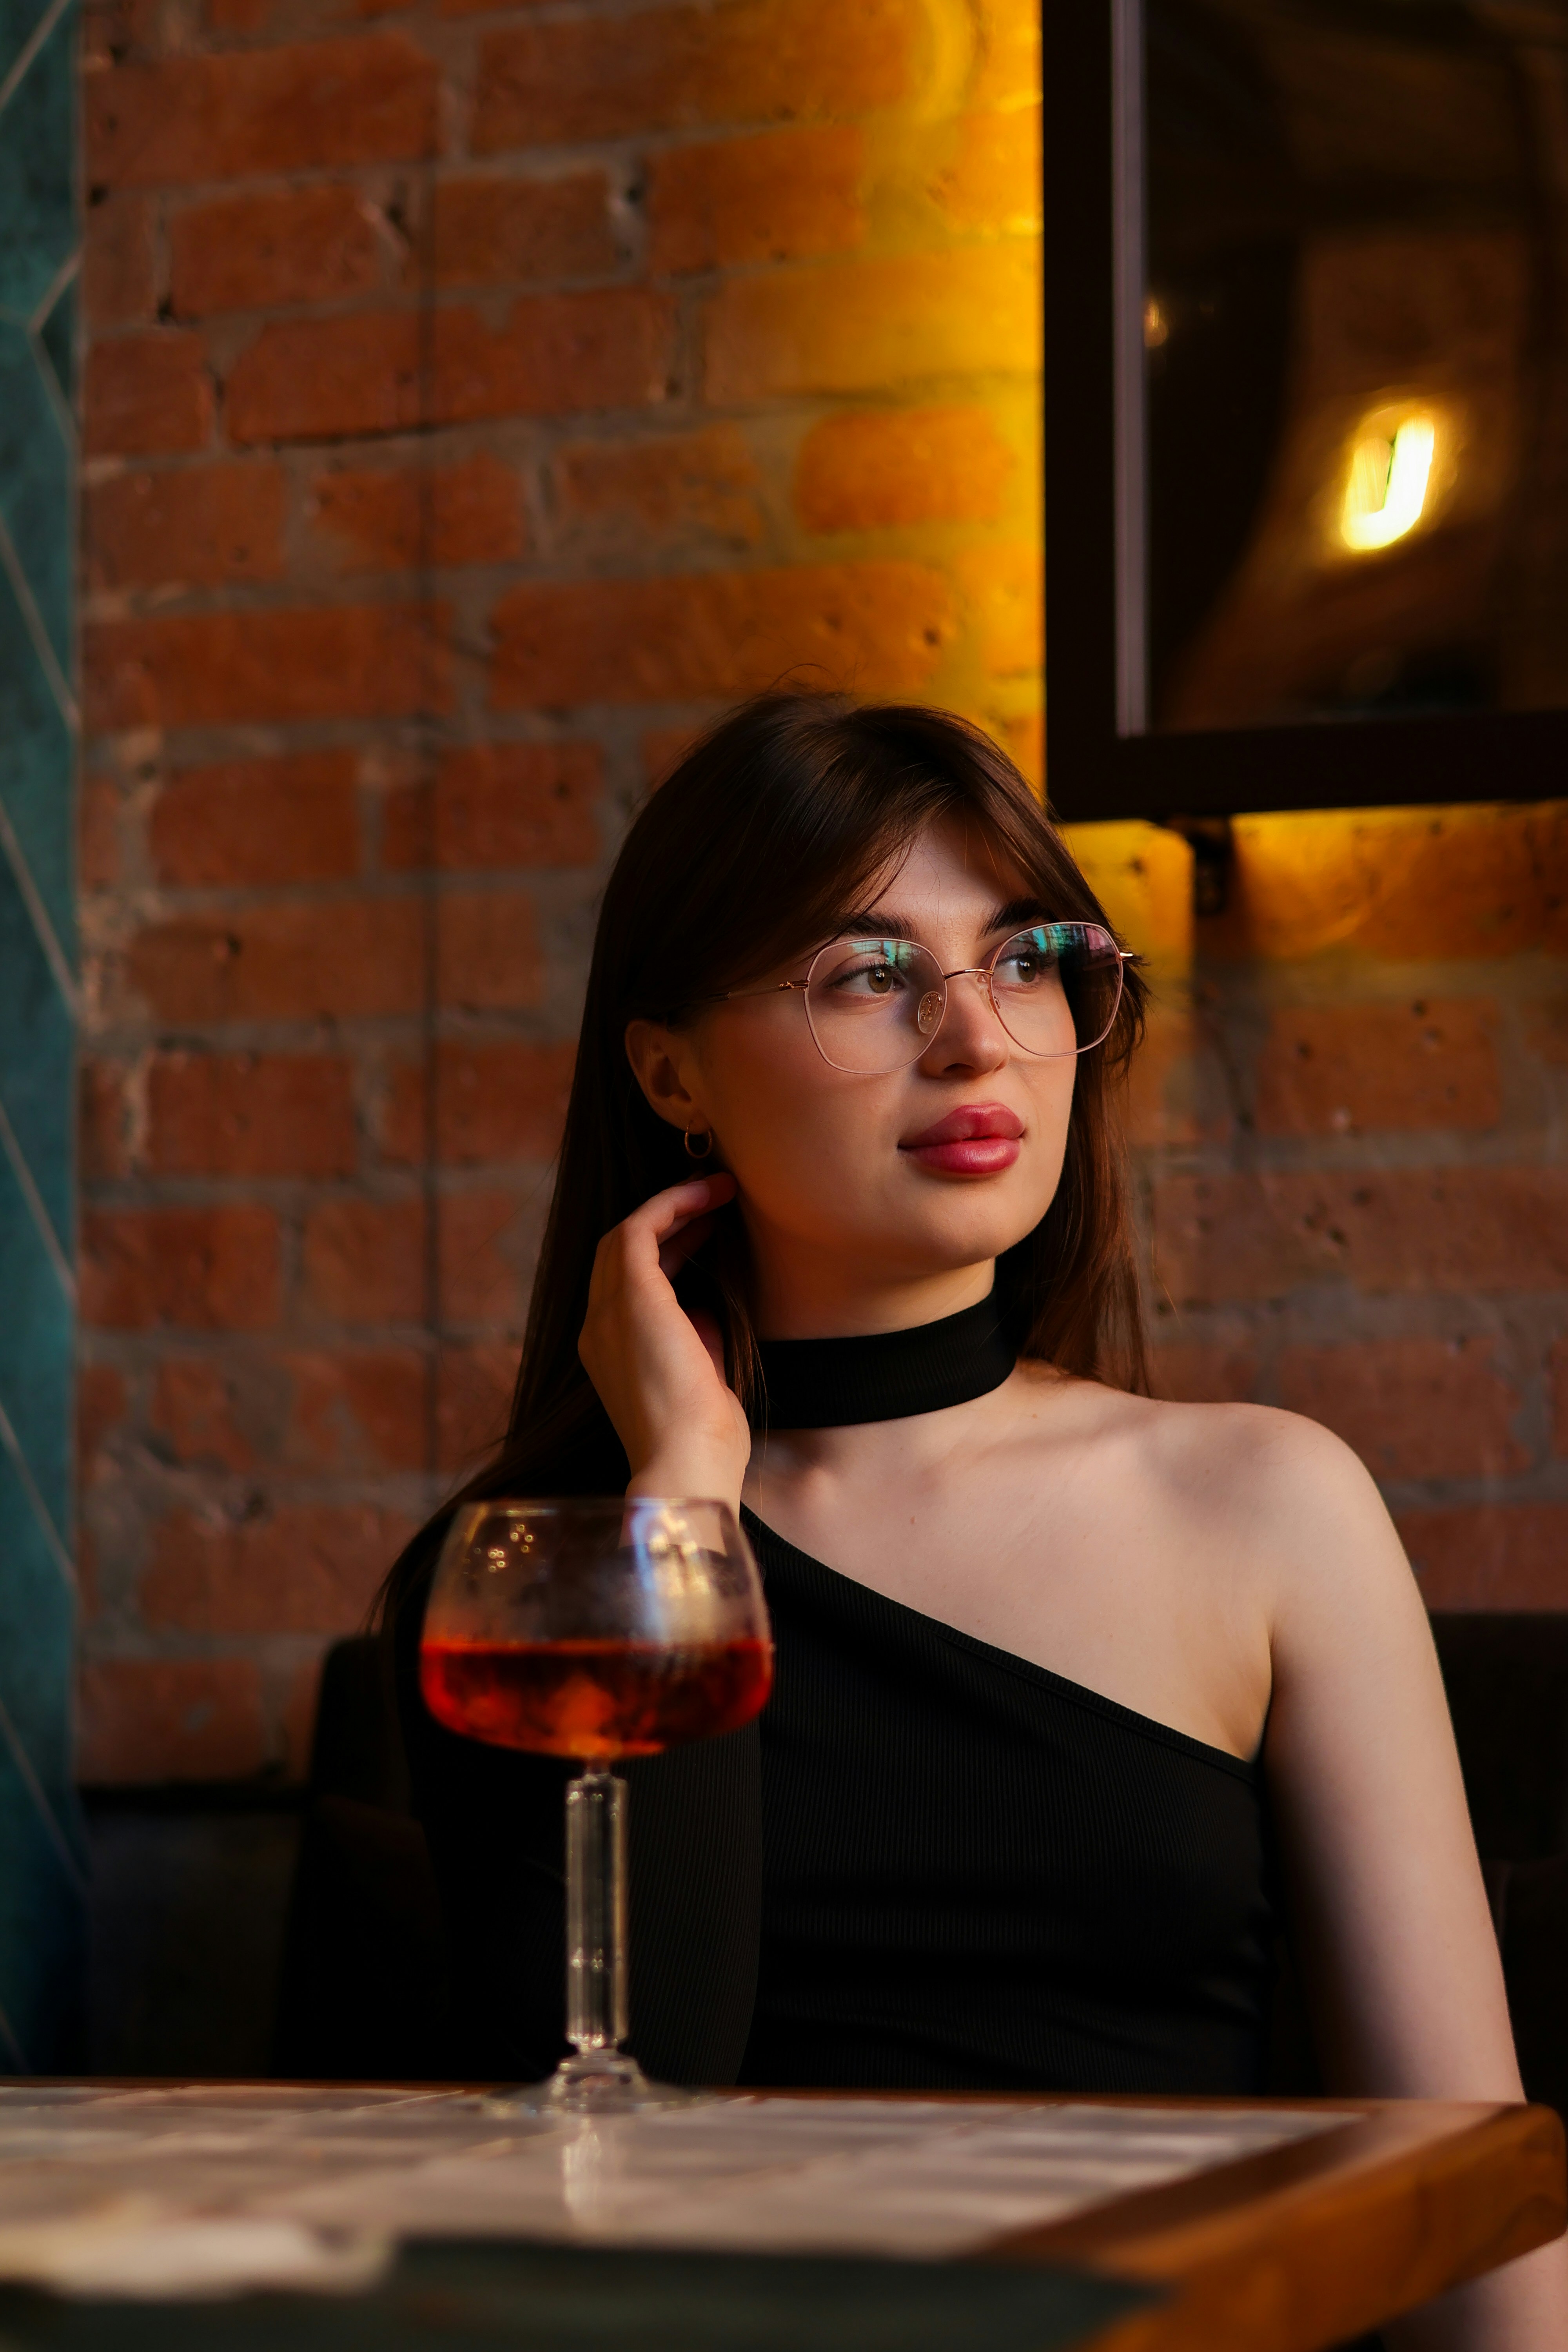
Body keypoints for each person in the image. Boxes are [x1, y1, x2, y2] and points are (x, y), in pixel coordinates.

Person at [383, 693, 1565, 2348]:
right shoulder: (523, 1572)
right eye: (868, 973)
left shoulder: (1266, 1507)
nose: (973, 1035)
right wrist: (685, 1501)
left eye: (1021, 958)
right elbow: (623, 2121)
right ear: (671, 1074)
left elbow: (1468, 2200)